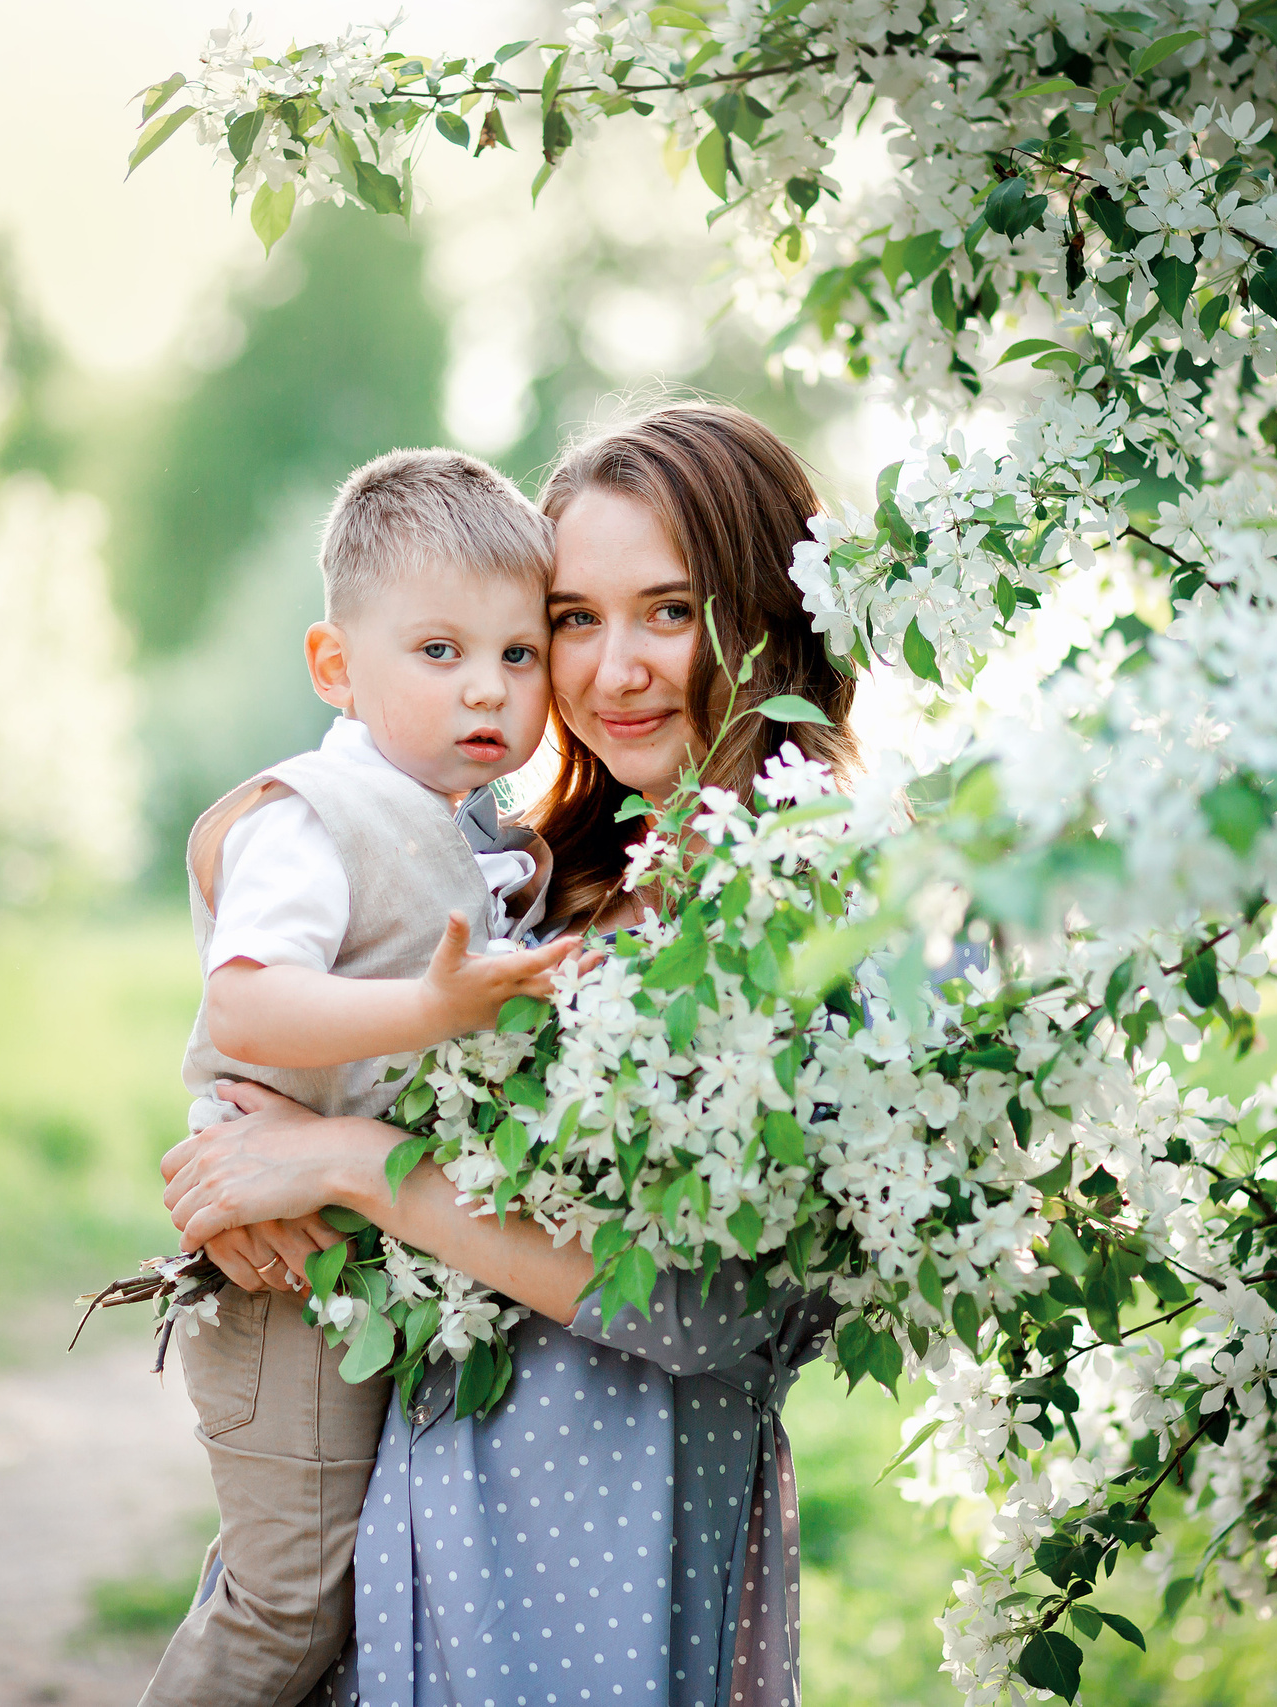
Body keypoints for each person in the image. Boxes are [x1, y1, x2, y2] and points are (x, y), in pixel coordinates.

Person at [164, 403, 858, 1707]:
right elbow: (344, 1044)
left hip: (603, 1534)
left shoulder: (811, 903)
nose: (612, 669)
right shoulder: (556, 875)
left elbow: (717, 1308)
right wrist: (242, 1152)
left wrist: (352, 1161)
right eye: (577, 620)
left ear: (768, 614)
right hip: (419, 1487)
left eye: (669, 609)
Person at [141, 447, 590, 1707]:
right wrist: (427, 1007)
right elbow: (242, 997)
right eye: (436, 653)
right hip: (281, 1281)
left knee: (355, 1599)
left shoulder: (478, 829)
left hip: (364, 1273)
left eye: (515, 655)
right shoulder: (316, 817)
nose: (485, 691)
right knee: (289, 1603)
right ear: (337, 666)